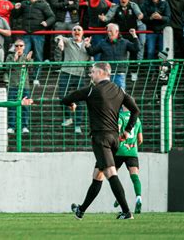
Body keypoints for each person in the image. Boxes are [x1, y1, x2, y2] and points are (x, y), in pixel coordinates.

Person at [62, 62, 140, 220]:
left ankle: (127, 212)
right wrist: (127, 130)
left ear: (101, 72)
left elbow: (66, 99)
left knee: (110, 172)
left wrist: (72, 104)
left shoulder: (92, 90)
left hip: (101, 138)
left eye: (92, 72)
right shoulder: (119, 90)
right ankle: (81, 210)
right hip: (114, 139)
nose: (90, 75)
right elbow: (135, 111)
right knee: (98, 175)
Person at [55, 25, 91, 131]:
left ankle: (77, 125)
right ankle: (68, 117)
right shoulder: (68, 41)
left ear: (83, 32)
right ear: (71, 32)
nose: (76, 31)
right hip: (66, 73)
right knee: (62, 97)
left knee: (79, 101)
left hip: (80, 75)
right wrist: (60, 40)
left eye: (79, 29)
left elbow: (91, 55)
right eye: (74, 29)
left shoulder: (87, 44)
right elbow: (58, 37)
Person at [113, 107, 143, 214]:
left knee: (113, 176)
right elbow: (140, 139)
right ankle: (138, 197)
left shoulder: (120, 116)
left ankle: (120, 196)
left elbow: (117, 129)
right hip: (132, 151)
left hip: (120, 150)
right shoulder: (137, 119)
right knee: (135, 177)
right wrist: (132, 146)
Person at [6, 39, 33, 134]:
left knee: (25, 107)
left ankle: (24, 126)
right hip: (13, 85)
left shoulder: (27, 57)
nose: (19, 47)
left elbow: (31, 68)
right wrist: (15, 59)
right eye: (17, 45)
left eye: (21, 46)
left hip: (24, 86)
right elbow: (6, 67)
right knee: (12, 107)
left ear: (24, 47)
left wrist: (29, 61)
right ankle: (11, 126)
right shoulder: (10, 57)